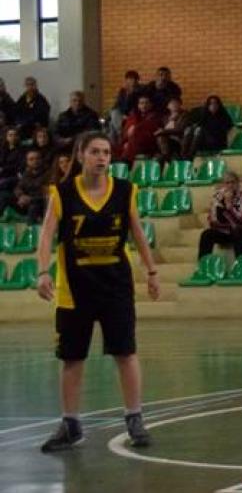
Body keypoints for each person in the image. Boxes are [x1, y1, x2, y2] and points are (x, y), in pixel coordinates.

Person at [34, 132, 159, 452]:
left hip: (115, 286)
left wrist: (151, 271)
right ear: (80, 155)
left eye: (106, 152)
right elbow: (46, 235)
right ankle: (70, 425)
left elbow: (137, 233)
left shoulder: (125, 190)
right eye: (95, 151)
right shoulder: (62, 193)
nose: (102, 157)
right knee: (72, 358)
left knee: (125, 353)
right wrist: (43, 271)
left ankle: (135, 418)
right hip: (75, 289)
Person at [198, 171, 242, 259]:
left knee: (238, 232)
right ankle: (203, 264)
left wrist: (229, 206)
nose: (230, 185)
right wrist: (230, 223)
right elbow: (213, 221)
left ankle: (240, 263)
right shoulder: (217, 197)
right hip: (226, 230)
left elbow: (241, 222)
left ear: (238, 183)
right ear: (223, 185)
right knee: (206, 234)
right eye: (227, 183)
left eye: (233, 182)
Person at [5, 149, 50, 223]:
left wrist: (30, 199)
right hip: (25, 203)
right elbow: (18, 187)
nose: (35, 161)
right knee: (4, 195)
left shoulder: (49, 174)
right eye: (31, 159)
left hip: (39, 204)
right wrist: (21, 196)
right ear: (27, 162)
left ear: (42, 160)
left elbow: (48, 196)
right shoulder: (27, 173)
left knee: (34, 206)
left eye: (37, 158)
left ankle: (30, 226)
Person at [120, 95, 163, 163]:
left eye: (146, 103)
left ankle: (125, 159)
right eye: (141, 103)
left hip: (148, 142)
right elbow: (125, 132)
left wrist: (136, 128)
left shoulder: (155, 116)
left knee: (136, 132)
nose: (144, 105)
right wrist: (127, 138)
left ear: (151, 105)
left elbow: (153, 129)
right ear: (138, 105)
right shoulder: (133, 116)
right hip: (131, 142)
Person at [154, 97, 191, 164]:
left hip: (179, 141)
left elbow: (180, 129)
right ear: (168, 106)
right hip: (166, 143)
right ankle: (165, 155)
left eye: (176, 103)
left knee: (161, 136)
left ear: (180, 104)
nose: (174, 105)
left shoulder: (185, 115)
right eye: (172, 103)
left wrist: (164, 131)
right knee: (160, 139)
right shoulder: (165, 117)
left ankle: (166, 156)